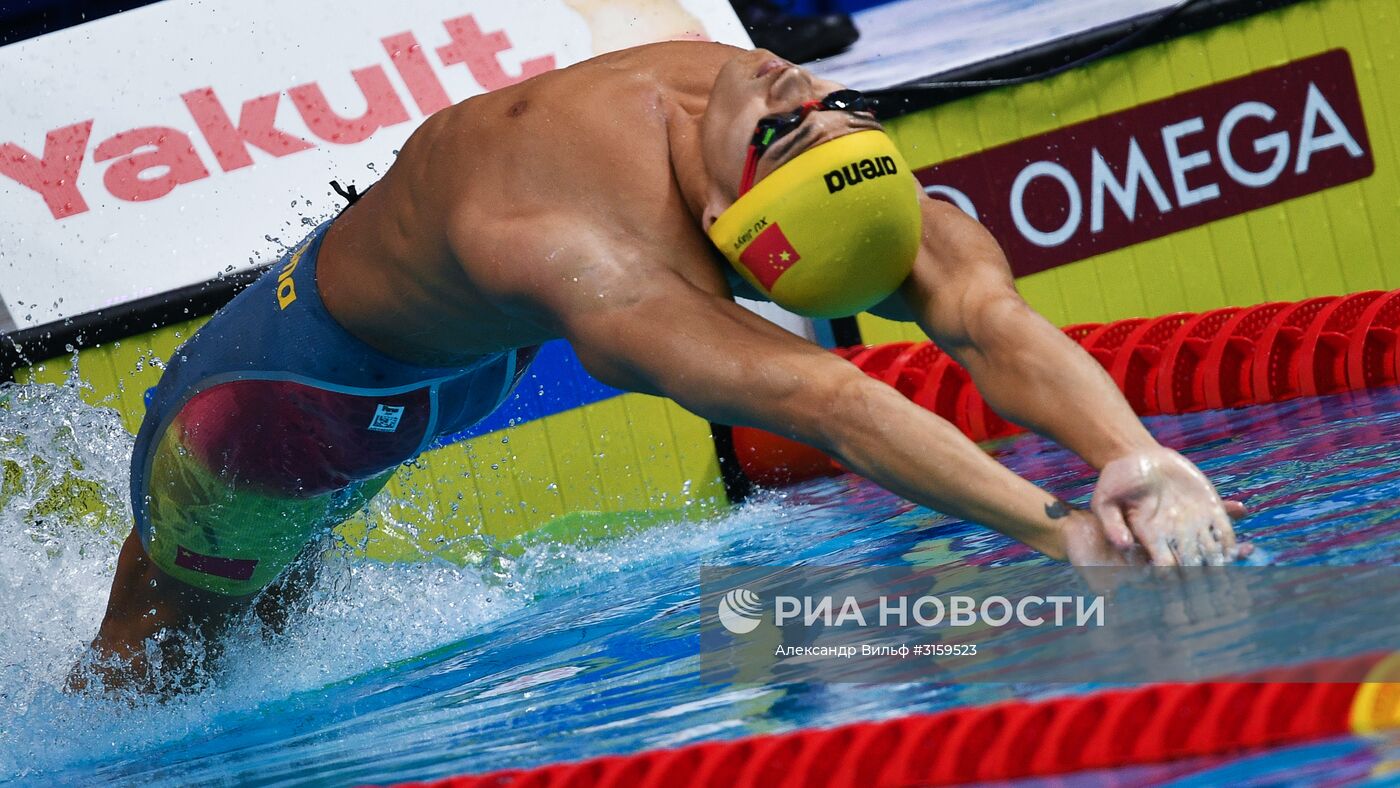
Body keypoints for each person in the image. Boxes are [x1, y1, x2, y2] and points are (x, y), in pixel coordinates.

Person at [79, 42, 1246, 695]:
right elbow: (830, 397)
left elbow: (984, 315)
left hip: (440, 356)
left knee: (268, 632)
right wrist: (1059, 532)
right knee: (166, 654)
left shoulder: (817, 128)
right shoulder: (588, 254)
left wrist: (1134, 459)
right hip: (281, 405)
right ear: (722, 216)